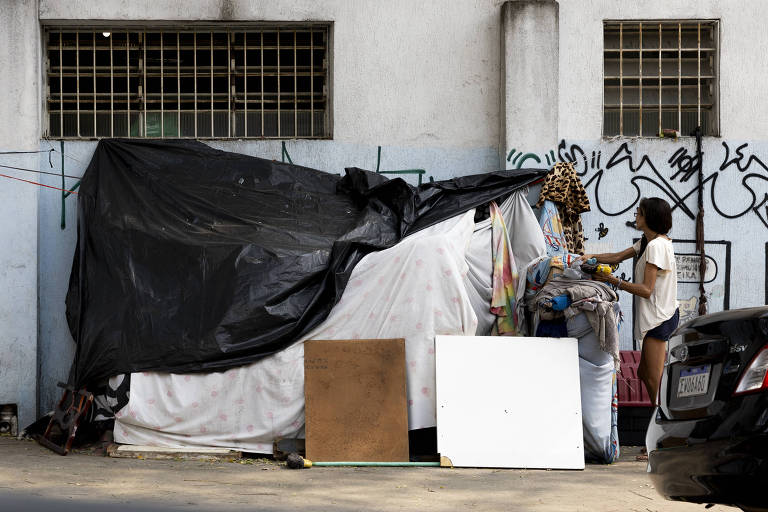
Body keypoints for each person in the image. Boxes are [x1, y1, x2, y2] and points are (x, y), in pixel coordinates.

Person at [579, 197, 679, 409]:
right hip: (658, 316)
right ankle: (660, 426)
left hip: (659, 318)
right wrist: (589, 257)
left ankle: (662, 431)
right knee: (644, 373)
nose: (636, 216)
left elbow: (646, 290)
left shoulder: (656, 247)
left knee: (654, 380)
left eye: (639, 213)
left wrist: (613, 281)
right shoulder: (647, 242)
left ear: (649, 217)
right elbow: (617, 257)